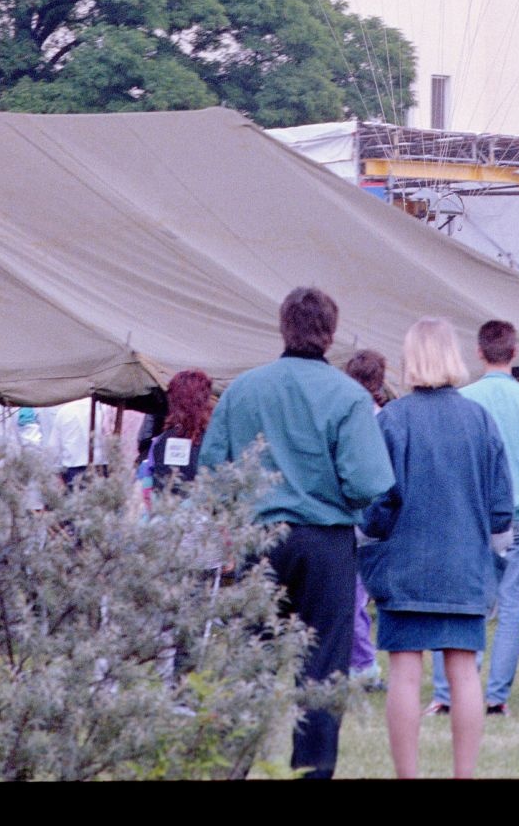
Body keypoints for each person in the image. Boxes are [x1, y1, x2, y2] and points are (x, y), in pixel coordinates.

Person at [199, 287, 394, 781]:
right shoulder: (348, 395)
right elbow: (369, 481)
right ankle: (312, 772)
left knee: (250, 661)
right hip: (325, 540)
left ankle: (233, 766)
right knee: (323, 665)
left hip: (257, 539)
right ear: (331, 334)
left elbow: (213, 470)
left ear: (282, 327)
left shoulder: (243, 390)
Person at [358, 317, 512, 779]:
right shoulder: (480, 420)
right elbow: (502, 508)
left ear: (410, 360)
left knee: (404, 673)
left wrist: (368, 543)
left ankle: (409, 775)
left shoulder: (393, 420)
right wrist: (493, 561)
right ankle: (463, 774)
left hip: (405, 567)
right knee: (464, 674)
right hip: (464, 567)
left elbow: (379, 502)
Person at [430, 321, 519, 715]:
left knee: (460, 603)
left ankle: (449, 691)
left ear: (478, 353)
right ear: (515, 353)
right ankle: (495, 696)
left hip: (468, 518)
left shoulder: (462, 401)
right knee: (513, 609)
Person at [344, 348, 389, 690]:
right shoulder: (385, 419)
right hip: (383, 519)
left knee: (354, 596)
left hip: (352, 517)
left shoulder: (344, 416)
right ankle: (364, 665)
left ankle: (362, 663)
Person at [138, 368, 214, 503]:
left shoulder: (160, 441)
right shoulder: (213, 439)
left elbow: (146, 487)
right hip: (201, 517)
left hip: (165, 516)